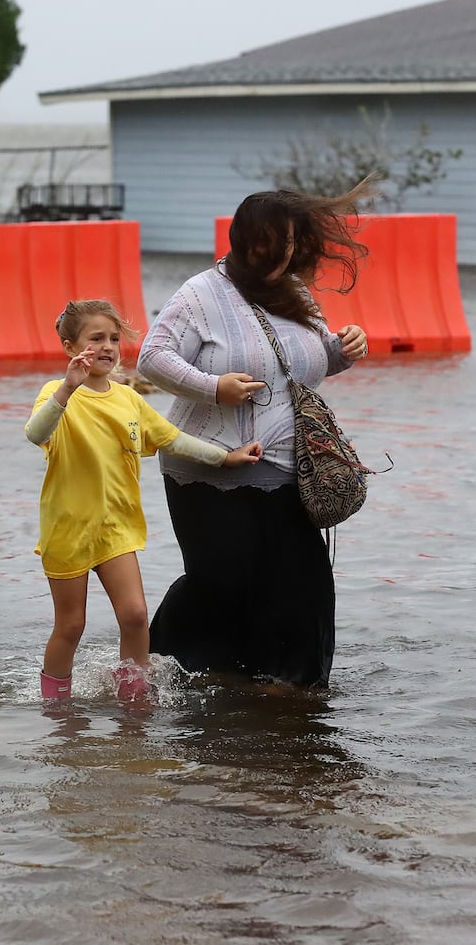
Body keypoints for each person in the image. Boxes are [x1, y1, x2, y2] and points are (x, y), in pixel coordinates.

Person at [135, 180, 375, 690]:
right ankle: (162, 668)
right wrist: (212, 387)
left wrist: (343, 349)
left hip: (290, 468)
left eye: (292, 243)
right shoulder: (201, 292)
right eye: (277, 242)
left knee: (302, 586)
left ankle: (288, 691)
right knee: (222, 583)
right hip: (208, 466)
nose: (287, 253)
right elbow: (151, 358)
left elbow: (307, 365)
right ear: (247, 240)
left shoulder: (295, 291)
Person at [25, 299, 263, 701]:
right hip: (68, 530)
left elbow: (173, 438)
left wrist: (225, 457)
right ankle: (56, 706)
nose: (107, 347)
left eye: (113, 338)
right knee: (71, 626)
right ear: (70, 347)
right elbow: (35, 432)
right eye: (95, 338)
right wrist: (67, 388)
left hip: (116, 529)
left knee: (135, 616)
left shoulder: (129, 399)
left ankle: (133, 698)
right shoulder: (57, 394)